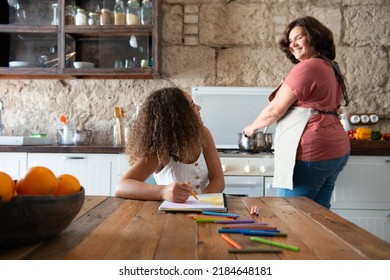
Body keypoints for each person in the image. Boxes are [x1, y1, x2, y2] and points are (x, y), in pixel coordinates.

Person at [242, 16, 350, 209]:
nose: (293, 44)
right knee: (320, 214)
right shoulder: (330, 67)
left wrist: (251, 128)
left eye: (299, 38)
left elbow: (275, 110)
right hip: (336, 151)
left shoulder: (307, 67)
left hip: (312, 153)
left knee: (289, 214)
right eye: (290, 41)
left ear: (314, 37)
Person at [115, 87, 225, 203]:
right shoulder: (161, 149)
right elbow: (121, 187)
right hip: (171, 217)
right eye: (192, 105)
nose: (199, 108)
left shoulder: (203, 134)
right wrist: (162, 191)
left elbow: (217, 179)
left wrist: (203, 202)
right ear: (180, 116)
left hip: (205, 212)